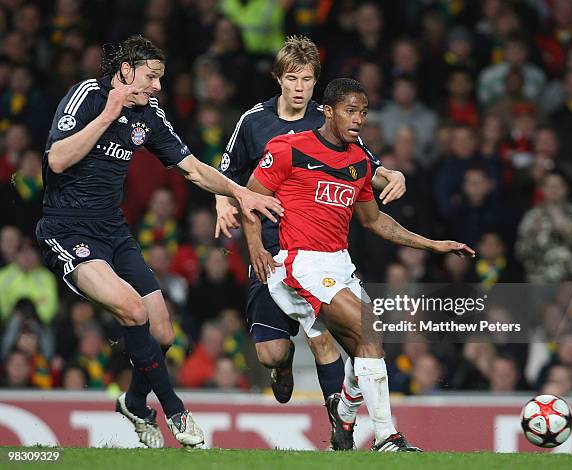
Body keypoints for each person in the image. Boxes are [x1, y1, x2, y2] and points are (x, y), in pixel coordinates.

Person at [34, 36, 282, 449]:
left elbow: (193, 169)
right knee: (133, 312)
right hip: (68, 230)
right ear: (126, 70)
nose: (158, 87)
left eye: (161, 78)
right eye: (152, 77)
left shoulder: (149, 114)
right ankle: (173, 409)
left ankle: (134, 401)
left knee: (163, 333)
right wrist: (108, 113)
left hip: (113, 230)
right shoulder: (88, 96)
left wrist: (241, 193)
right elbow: (56, 160)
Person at [243, 78, 474, 451]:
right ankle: (387, 437)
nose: (358, 119)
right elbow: (250, 198)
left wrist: (433, 245)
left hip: (339, 264)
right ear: (329, 111)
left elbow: (375, 221)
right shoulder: (288, 148)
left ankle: (345, 416)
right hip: (300, 263)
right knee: (366, 332)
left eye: (363, 112)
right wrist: (255, 247)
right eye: (351, 111)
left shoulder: (360, 161)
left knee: (370, 343)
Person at [215, 36, 406, 410]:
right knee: (271, 352)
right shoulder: (253, 121)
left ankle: (339, 422)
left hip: (314, 249)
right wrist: (223, 203)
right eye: (292, 79)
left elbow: (365, 162)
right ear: (278, 79)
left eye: (307, 80)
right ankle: (282, 367)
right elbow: (227, 171)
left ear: (315, 81)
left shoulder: (328, 117)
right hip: (267, 244)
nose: (300, 88)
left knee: (321, 337)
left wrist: (390, 173)